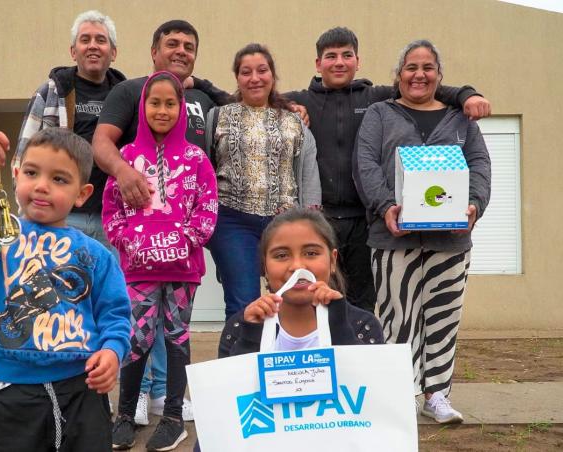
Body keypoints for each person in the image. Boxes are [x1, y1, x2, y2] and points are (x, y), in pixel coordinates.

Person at [0, 128, 131, 451]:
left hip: (82, 391)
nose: (42, 186)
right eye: (32, 173)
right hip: (7, 394)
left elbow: (115, 313)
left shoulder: (98, 256)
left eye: (60, 179)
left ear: (82, 193)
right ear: (16, 175)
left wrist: (113, 351)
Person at [285, 27, 492, 314]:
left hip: (366, 222)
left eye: (347, 55)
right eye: (330, 56)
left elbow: (424, 85)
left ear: (358, 61)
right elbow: (257, 96)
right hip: (320, 220)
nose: (339, 62)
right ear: (318, 64)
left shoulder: (376, 97)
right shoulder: (301, 100)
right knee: (316, 303)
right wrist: (286, 106)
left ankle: (360, 359)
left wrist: (468, 95)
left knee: (362, 308)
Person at [354, 39, 491, 424]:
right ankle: (405, 394)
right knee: (398, 318)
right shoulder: (380, 114)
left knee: (443, 317)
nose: (419, 74)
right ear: (399, 76)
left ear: (439, 76)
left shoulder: (460, 117)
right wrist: (385, 206)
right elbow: (365, 164)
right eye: (411, 67)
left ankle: (438, 396)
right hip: (392, 237)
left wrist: (475, 205)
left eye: (428, 67)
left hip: (450, 242)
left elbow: (480, 164)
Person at [93, 19, 218, 423]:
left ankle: (174, 418)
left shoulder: (196, 159)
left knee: (178, 337)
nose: (162, 110)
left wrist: (188, 239)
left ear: (182, 108)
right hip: (139, 269)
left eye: (171, 104)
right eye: (155, 103)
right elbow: (111, 208)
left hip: (184, 267)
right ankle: (126, 416)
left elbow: (208, 205)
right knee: (137, 337)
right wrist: (127, 242)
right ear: (142, 106)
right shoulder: (127, 157)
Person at [204, 43, 321, 321]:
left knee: (292, 300)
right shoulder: (218, 117)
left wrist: (310, 224)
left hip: (285, 224)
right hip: (233, 222)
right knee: (242, 303)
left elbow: (308, 173)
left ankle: (283, 361)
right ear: (237, 78)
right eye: (246, 72)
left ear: (273, 76)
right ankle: (239, 361)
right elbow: (207, 168)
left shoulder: (294, 121)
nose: (255, 78)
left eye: (262, 70)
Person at [14, 10, 124, 250]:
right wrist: (28, 213)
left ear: (113, 52)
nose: (93, 46)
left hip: (112, 219)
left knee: (108, 286)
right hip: (62, 217)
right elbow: (23, 155)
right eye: (85, 40)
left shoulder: (127, 98)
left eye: (101, 40)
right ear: (73, 51)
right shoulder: (51, 92)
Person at [220, 207, 383, 356]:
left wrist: (339, 327)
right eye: (281, 256)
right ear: (265, 267)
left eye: (311, 253)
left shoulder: (363, 326)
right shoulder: (241, 327)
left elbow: (368, 382)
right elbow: (232, 385)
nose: (297, 267)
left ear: (333, 261)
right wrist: (250, 337)